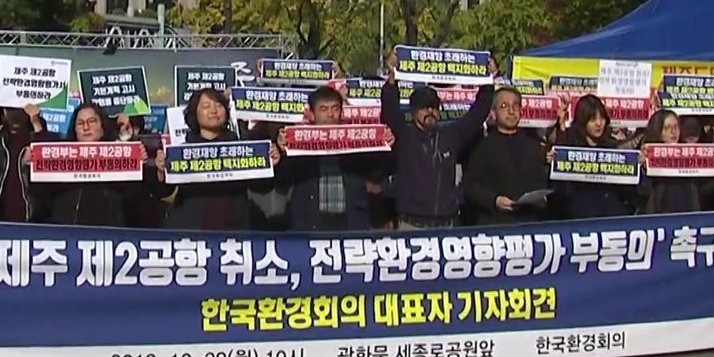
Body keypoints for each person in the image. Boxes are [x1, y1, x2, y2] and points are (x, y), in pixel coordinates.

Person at [380, 55, 495, 228]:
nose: (430, 111)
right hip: (412, 224)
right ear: (413, 112)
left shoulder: (451, 136)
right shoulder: (404, 136)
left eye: (434, 107)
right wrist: (392, 78)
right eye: (424, 107)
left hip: (446, 224)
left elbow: (477, 115)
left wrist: (488, 80)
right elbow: (390, 109)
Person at [155, 88, 281, 230]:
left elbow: (260, 188)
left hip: (234, 231)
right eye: (206, 106)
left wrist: (271, 164)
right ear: (194, 113)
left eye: (219, 105)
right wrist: (161, 171)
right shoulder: (181, 152)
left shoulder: (242, 150)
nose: (214, 111)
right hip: (190, 231)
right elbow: (164, 192)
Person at [277, 86, 392, 232]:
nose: (330, 114)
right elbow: (282, 182)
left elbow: (381, 171)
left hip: (351, 220)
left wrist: (386, 145)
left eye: (335, 108)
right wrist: (283, 152)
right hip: (310, 220)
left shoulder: (357, 140)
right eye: (323, 109)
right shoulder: (297, 141)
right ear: (312, 114)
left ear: (342, 112)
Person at [33, 102, 139, 227]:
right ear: (74, 129)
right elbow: (43, 197)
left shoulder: (120, 157)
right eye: (80, 123)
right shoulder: (61, 159)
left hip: (110, 235)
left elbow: (133, 199)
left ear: (102, 126)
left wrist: (126, 139)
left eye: (92, 121)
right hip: (68, 235)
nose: (86, 127)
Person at [463, 87, 552, 225]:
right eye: (504, 106)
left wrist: (541, 200)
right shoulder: (481, 147)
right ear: (493, 113)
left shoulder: (534, 146)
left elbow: (540, 183)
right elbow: (470, 187)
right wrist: (494, 200)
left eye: (515, 105)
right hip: (494, 224)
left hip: (528, 224)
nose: (511, 111)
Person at [548, 95, 636, 219]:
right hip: (578, 215)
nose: (599, 124)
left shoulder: (611, 146)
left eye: (602, 118)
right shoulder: (569, 144)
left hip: (610, 215)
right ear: (583, 121)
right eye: (593, 119)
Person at [637, 109, 714, 214]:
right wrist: (643, 168)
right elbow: (644, 192)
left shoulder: (689, 154)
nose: (673, 131)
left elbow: (705, 185)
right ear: (658, 130)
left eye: (676, 127)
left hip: (689, 214)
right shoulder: (647, 154)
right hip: (660, 215)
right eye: (667, 128)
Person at [0, 104, 52, 223]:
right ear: (3, 111)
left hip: (33, 220)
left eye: (19, 108)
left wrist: (36, 123)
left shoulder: (38, 138)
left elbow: (51, 161)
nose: (15, 114)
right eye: (10, 109)